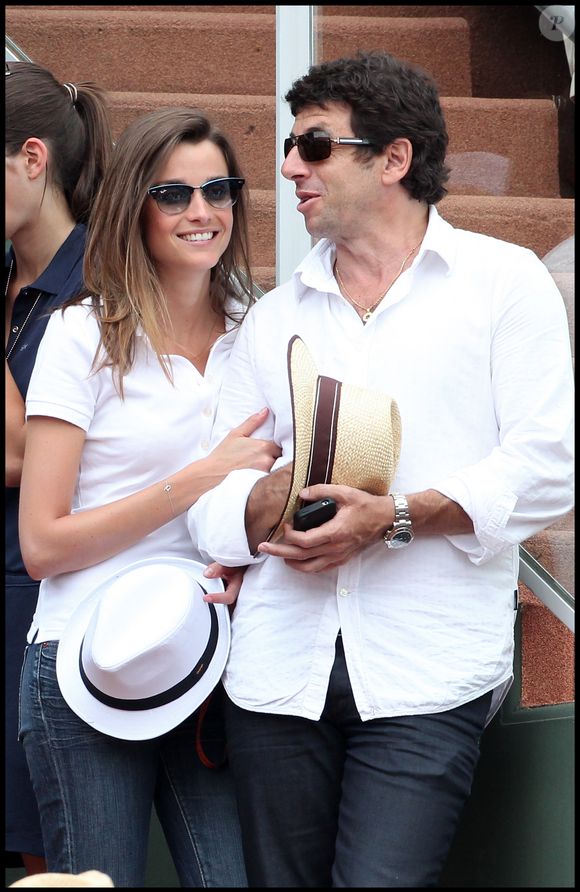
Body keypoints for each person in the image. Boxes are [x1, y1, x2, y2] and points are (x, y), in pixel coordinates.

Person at [186, 51, 575, 887]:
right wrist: (266, 505)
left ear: (394, 158)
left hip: (426, 669)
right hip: (278, 671)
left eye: (316, 146)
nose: (289, 165)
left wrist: (397, 517)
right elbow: (209, 504)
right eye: (291, 147)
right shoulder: (272, 319)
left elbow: (550, 465)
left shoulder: (502, 285)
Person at [17, 106, 280, 887]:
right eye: (174, 195)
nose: (202, 213)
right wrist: (196, 479)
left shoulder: (258, 330)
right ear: (135, 203)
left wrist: (243, 561)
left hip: (205, 657)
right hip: (83, 661)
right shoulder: (83, 335)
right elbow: (42, 543)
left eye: (218, 190)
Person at [5, 60, 113, 877]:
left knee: (43, 854)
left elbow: (20, 457)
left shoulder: (98, 287)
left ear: (32, 159)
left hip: (40, 605)